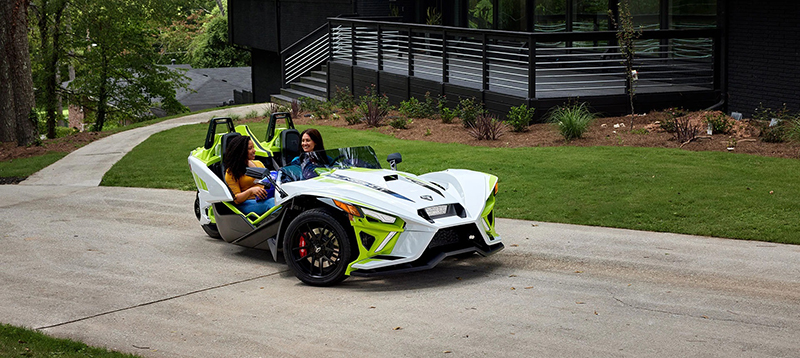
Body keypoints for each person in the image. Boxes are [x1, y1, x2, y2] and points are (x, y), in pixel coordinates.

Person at [223, 135, 275, 216]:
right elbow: (236, 199)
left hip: (266, 198)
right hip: (246, 203)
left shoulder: (259, 164)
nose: (254, 150)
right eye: (250, 148)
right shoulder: (231, 172)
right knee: (272, 203)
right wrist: (251, 191)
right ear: (241, 151)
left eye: (253, 147)